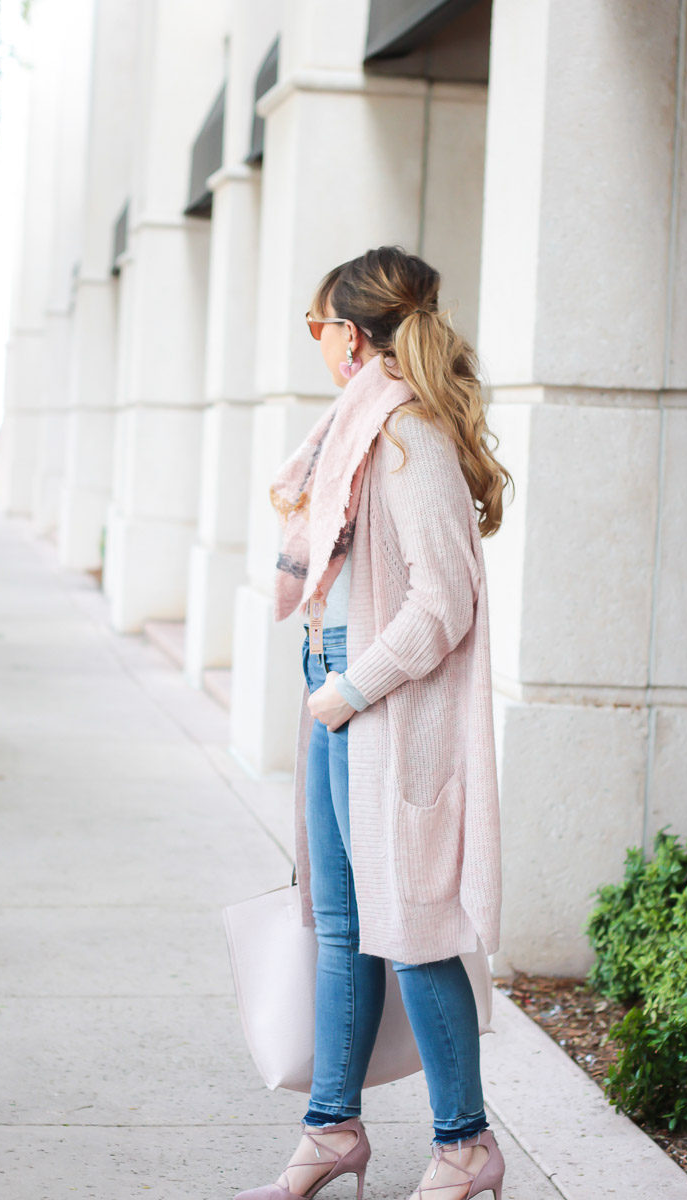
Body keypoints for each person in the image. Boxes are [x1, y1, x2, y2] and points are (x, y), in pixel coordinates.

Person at [235, 246, 511, 1200]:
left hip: (379, 704)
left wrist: (352, 688)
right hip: (338, 687)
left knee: (414, 925)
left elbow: (442, 604)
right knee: (340, 922)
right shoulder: (354, 433)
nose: (317, 345)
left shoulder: (407, 439)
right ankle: (332, 1131)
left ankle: (466, 1146)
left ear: (350, 336)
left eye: (319, 329)